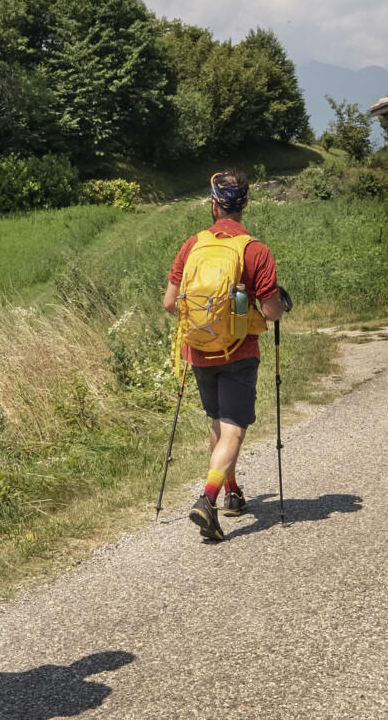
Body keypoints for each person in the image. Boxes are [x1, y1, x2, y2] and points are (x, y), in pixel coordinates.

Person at [161, 171, 286, 542]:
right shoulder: (255, 250)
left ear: (214, 204)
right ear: (245, 204)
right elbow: (272, 312)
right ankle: (209, 498)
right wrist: (280, 301)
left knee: (218, 422)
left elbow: (170, 303)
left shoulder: (192, 246)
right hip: (240, 351)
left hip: (199, 351)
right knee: (233, 428)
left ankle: (232, 493)